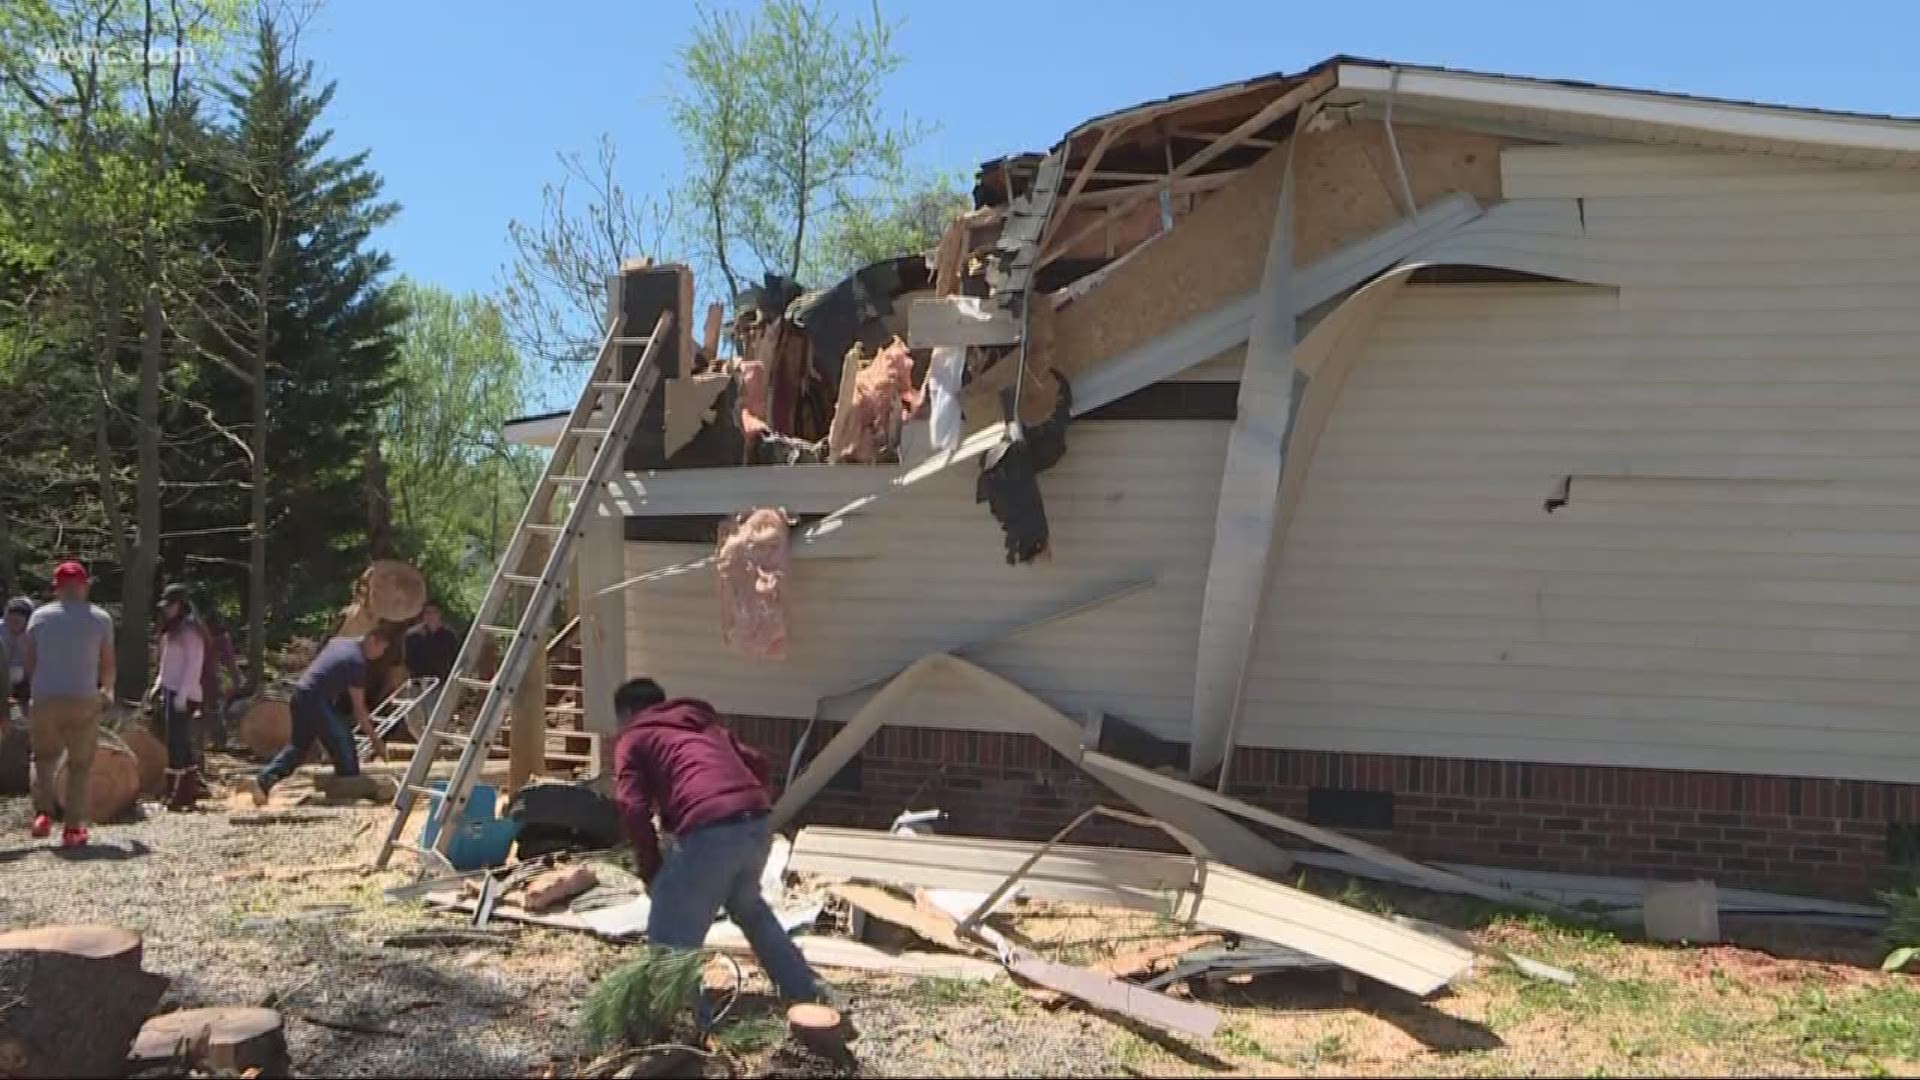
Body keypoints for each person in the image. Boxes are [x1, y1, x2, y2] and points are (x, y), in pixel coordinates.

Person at [611, 678, 821, 1020]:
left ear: (627, 713)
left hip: (710, 827)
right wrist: (747, 806)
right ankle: (806, 994)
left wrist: (651, 868)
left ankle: (687, 1025)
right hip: (755, 821)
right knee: (749, 909)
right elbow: (758, 762)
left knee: (670, 931)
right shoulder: (704, 726)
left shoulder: (634, 736)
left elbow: (631, 807)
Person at [22, 561, 115, 848]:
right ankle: (73, 828)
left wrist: (34, 688)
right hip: (83, 698)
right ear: (84, 586)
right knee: (80, 765)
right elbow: (107, 661)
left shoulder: (39, 617)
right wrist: (108, 689)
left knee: (44, 758)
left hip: (46, 697)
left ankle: (43, 814)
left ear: (57, 588)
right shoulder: (100, 618)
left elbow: (29, 662)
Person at [247, 631, 387, 806]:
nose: (380, 655)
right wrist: (375, 740)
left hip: (300, 694)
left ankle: (264, 781)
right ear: (372, 640)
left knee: (298, 748)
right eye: (381, 649)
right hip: (316, 700)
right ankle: (348, 789)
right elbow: (360, 709)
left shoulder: (340, 642)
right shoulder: (356, 661)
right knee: (344, 743)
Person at [150, 583, 206, 811]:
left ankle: (179, 793)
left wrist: (183, 695)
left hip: (185, 692)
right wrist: (158, 685)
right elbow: (166, 663)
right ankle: (190, 788)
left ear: (181, 604)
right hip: (169, 689)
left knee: (177, 743)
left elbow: (194, 665)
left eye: (171, 605)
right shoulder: (172, 629)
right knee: (178, 741)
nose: (167, 610)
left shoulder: (191, 630)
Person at [401, 601, 459, 735]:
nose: (430, 616)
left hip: (438, 683)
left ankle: (434, 746)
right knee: (413, 719)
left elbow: (454, 659)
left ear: (439, 614)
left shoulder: (448, 635)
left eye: (433, 613)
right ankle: (422, 743)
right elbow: (408, 660)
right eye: (427, 613)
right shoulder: (412, 635)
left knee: (435, 718)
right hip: (417, 682)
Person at [197, 609, 241, 750]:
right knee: (209, 709)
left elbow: (229, 660)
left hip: (207, 677)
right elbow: (230, 661)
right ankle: (209, 740)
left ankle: (214, 740)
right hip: (201, 676)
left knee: (211, 709)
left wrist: (236, 679)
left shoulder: (217, 638)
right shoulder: (202, 636)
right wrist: (236, 679)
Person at [1, 597, 31, 713]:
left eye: (20, 616)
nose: (14, 621)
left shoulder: (32, 634)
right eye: (11, 616)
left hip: (22, 679)